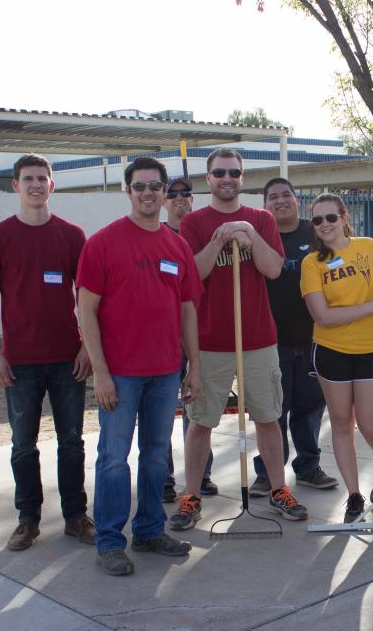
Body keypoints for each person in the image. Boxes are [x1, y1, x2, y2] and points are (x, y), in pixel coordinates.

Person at [171, 148, 308, 530]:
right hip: (211, 340)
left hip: (258, 338)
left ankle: (279, 488)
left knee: (268, 417)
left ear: (242, 177)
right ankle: (192, 495)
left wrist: (249, 236)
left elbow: (273, 268)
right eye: (219, 173)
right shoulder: (195, 222)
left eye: (234, 172)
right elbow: (192, 277)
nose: (226, 178)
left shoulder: (260, 219)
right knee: (200, 422)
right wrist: (218, 242)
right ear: (209, 178)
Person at [77, 156, 201, 576]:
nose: (148, 193)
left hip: (165, 371)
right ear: (127, 191)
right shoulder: (103, 243)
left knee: (154, 458)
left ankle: (149, 531)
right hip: (121, 375)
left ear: (165, 193)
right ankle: (110, 541)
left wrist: (194, 366)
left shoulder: (177, 244)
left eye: (155, 186)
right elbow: (85, 311)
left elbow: (187, 309)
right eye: (139, 186)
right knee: (114, 458)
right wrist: (101, 372)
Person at [0, 153, 95, 552]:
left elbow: (88, 296)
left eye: (42, 178)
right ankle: (28, 520)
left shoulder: (72, 235)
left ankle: (76, 516)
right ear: (15, 186)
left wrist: (87, 347)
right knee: (23, 445)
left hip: (68, 359)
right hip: (19, 362)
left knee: (72, 441)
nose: (35, 185)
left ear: (52, 184)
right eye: (27, 179)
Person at [301, 194, 373, 523]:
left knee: (371, 425)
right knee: (342, 422)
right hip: (332, 350)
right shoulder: (312, 263)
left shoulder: (368, 247)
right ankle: (355, 495)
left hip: (372, 347)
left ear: (344, 217)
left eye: (331, 217)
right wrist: (371, 307)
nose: (325, 225)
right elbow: (323, 316)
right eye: (317, 220)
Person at [249, 178, 339, 495]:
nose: (281, 201)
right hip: (271, 340)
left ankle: (309, 467)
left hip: (315, 337)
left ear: (297, 199)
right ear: (265, 204)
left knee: (309, 408)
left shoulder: (315, 232)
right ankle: (268, 473)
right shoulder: (259, 236)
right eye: (273, 197)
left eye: (286, 194)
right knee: (272, 410)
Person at [161, 176, 216, 503]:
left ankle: (200, 475)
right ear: (165, 200)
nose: (180, 198)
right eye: (173, 194)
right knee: (164, 410)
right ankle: (164, 478)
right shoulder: (159, 236)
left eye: (186, 193)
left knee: (198, 408)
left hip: (201, 333)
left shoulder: (202, 236)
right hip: (167, 334)